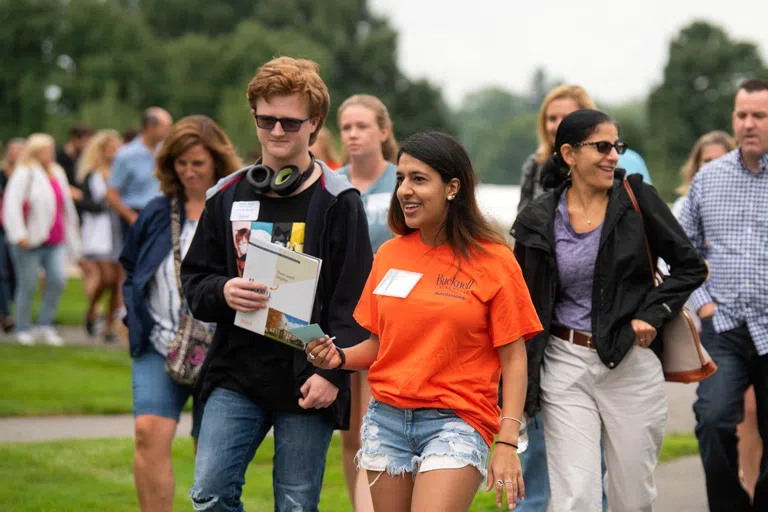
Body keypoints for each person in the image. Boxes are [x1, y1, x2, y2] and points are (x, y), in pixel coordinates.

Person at [307, 130, 542, 511]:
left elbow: (514, 359)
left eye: (419, 179)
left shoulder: (495, 260)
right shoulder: (388, 255)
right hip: (386, 419)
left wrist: (508, 441)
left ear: (452, 187)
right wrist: (338, 358)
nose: (404, 190)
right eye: (401, 179)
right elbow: (379, 346)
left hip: (458, 420)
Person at [181, 57, 373, 512]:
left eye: (290, 121)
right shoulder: (226, 195)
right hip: (235, 371)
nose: (278, 131)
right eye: (267, 120)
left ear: (315, 123)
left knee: (296, 504)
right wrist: (224, 291)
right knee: (209, 494)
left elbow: (356, 302)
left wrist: (332, 373)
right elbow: (195, 282)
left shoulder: (339, 201)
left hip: (308, 376)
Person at [513, 109, 707, 511]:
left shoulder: (636, 200)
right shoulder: (537, 219)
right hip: (564, 363)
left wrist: (651, 314)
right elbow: (523, 303)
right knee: (574, 497)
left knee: (632, 497)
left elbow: (690, 266)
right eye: (602, 147)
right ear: (569, 153)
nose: (613, 156)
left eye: (616, 146)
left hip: (630, 362)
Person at [120, 115, 243, 512]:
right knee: (147, 431)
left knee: (210, 452)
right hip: (160, 342)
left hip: (222, 350)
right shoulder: (156, 213)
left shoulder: (237, 211)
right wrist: (132, 320)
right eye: (181, 163)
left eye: (198, 163)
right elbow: (132, 269)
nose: (189, 172)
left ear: (217, 163)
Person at [679, 78, 768, 512]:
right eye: (741, 114)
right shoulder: (709, 179)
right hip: (725, 325)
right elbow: (683, 249)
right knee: (713, 421)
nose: (748, 124)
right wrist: (703, 303)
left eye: (759, 115)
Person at [334, 93, 399, 511]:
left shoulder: (401, 181)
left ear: (383, 131)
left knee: (379, 426)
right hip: (341, 317)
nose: (354, 135)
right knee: (351, 432)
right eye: (346, 128)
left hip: (391, 320)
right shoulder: (332, 183)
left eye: (362, 126)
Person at [518, 85, 652, 214]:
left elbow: (645, 214)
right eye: (552, 118)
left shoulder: (629, 162)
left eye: (567, 118)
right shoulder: (534, 165)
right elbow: (522, 223)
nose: (559, 125)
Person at [2, 133, 81, 346]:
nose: (51, 153)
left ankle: (45, 324)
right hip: (30, 240)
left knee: (57, 280)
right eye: (47, 149)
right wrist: (19, 234)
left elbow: (64, 205)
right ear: (36, 151)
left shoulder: (57, 172)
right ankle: (23, 327)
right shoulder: (24, 172)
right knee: (27, 284)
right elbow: (12, 204)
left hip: (55, 238)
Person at [76, 130, 124, 342]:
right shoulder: (92, 175)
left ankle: (108, 326)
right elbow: (85, 202)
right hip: (99, 231)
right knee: (107, 278)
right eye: (110, 148)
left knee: (116, 283)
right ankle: (92, 310)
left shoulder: (122, 172)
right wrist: (107, 201)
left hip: (118, 230)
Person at [107, 107, 173, 238]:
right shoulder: (126, 155)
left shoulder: (166, 152)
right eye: (166, 127)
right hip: (137, 215)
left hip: (163, 214)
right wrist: (131, 217)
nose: (169, 131)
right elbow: (111, 193)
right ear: (150, 127)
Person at [0, 137, 24, 333]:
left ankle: (9, 312)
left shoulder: (27, 174)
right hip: (3, 228)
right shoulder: (2, 173)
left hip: (14, 229)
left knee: (12, 273)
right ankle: (6, 314)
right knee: (2, 273)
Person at [56, 123, 92, 201]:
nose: (88, 145)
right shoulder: (58, 156)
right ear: (74, 139)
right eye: (85, 141)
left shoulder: (83, 157)